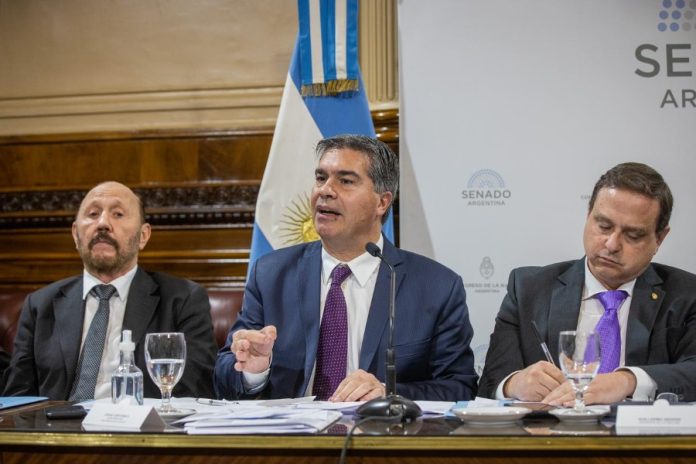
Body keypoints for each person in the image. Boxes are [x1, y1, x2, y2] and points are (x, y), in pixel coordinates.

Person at [215, 134, 477, 401]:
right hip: (294, 428)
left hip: (377, 427)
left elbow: (460, 387)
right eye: (320, 178)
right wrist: (254, 372)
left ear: (382, 202)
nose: (325, 190)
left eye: (346, 181)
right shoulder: (271, 274)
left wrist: (389, 393)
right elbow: (223, 376)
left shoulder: (436, 287)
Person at [478, 162, 696, 404]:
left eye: (633, 235)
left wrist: (628, 381)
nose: (612, 244)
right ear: (588, 216)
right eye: (603, 226)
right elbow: (490, 382)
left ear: (659, 238)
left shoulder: (687, 295)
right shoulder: (528, 289)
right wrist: (513, 385)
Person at [3, 181, 218, 400]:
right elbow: (17, 398)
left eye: (118, 214)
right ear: (76, 234)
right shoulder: (40, 305)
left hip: (140, 421)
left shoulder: (182, 300)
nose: (103, 224)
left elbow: (195, 394)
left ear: (143, 236)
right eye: (93, 214)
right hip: (57, 421)